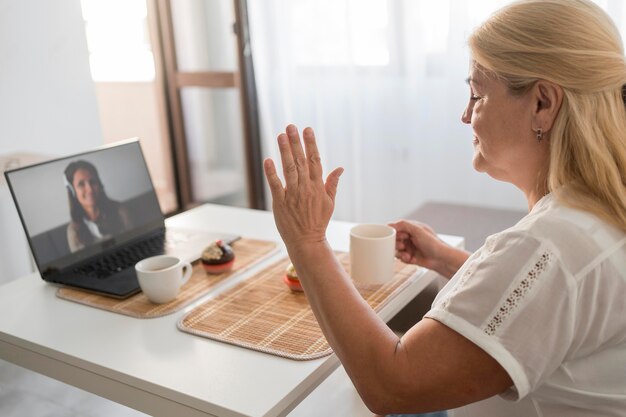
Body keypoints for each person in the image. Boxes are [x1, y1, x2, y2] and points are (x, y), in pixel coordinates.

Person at [262, 0, 626, 416]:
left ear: (542, 103)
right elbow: (551, 302)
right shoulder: (595, 214)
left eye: (477, 93)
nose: (465, 114)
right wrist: (450, 260)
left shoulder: (550, 245)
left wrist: (307, 242)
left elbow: (393, 385)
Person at [64, 160, 132, 252]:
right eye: (81, 184)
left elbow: (132, 243)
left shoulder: (120, 211)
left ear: (99, 184)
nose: (90, 189)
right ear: (73, 192)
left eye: (92, 181)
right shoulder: (73, 230)